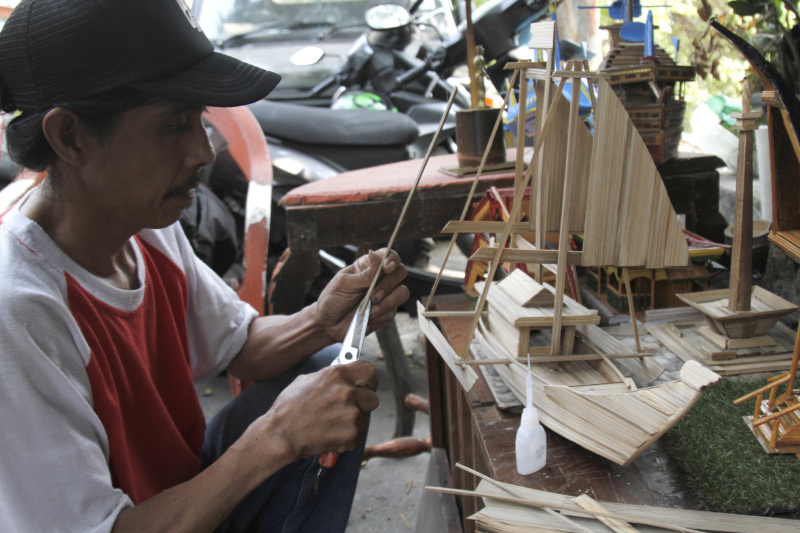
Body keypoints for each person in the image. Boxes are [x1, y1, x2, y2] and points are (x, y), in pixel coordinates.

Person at [0, 0, 410, 531]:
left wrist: (320, 321)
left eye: (199, 120)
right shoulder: (20, 312)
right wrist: (278, 437)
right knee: (300, 415)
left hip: (176, 491)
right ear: (71, 137)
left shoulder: (146, 225)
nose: (203, 150)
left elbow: (240, 347)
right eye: (173, 126)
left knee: (327, 373)